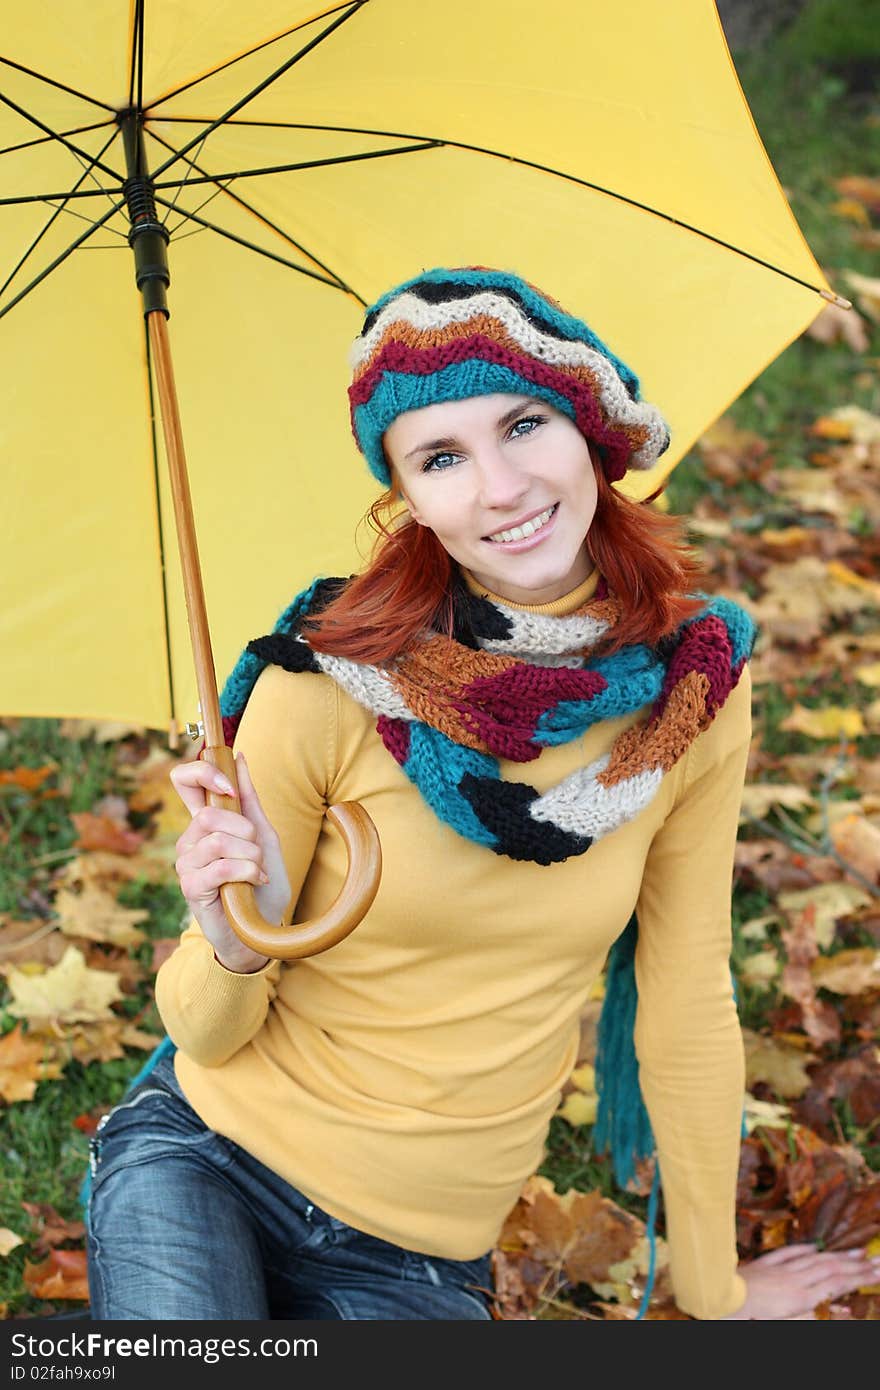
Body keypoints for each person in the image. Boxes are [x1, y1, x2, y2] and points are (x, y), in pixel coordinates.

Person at [85, 267, 880, 1321]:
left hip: (416, 1252)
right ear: (406, 495)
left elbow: (686, 997)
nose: (499, 487)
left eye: (526, 423)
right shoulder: (322, 680)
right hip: (210, 1159)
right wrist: (232, 935)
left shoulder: (691, 691)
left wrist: (711, 1287)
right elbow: (208, 1031)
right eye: (443, 457)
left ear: (593, 429)